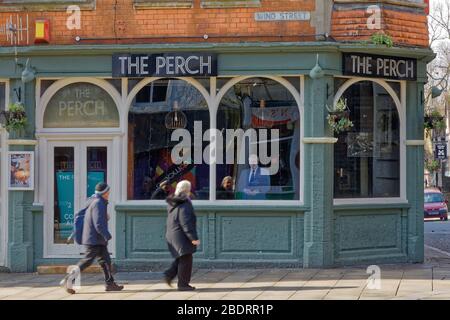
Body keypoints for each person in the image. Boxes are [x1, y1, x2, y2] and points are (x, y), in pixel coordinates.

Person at [60, 182, 124, 294]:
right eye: (108, 191)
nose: (109, 193)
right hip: (93, 239)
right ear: (104, 192)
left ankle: (110, 284)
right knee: (86, 261)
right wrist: (106, 235)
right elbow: (98, 223)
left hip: (96, 239)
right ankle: (68, 280)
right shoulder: (98, 203)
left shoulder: (96, 201)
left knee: (105, 261)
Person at [163, 180, 200, 291]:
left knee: (181, 257)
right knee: (186, 259)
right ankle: (183, 285)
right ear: (186, 190)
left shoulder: (174, 201)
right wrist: (193, 238)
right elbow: (186, 222)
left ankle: (169, 275)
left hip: (172, 233)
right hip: (181, 235)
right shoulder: (184, 203)